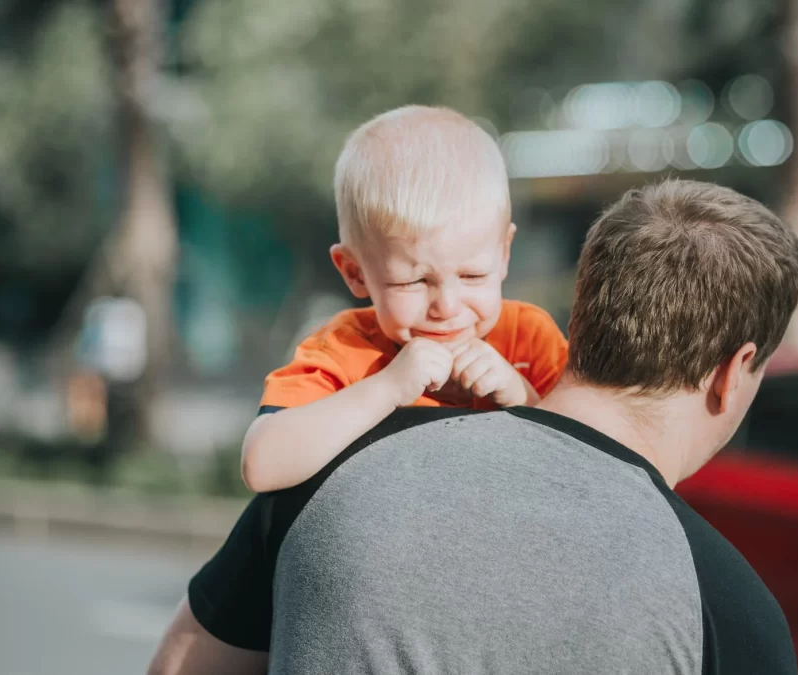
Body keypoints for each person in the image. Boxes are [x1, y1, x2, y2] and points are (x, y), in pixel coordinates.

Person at [150, 178, 798, 675]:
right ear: (733, 372)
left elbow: (180, 666)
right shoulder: (729, 610)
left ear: (582, 313)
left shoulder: (331, 471)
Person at [240, 105, 569, 493]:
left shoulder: (529, 338)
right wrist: (387, 388)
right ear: (354, 272)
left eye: (472, 275)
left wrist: (522, 396)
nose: (447, 307)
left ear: (504, 254)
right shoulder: (344, 350)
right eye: (413, 281)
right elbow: (262, 466)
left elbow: (592, 466)